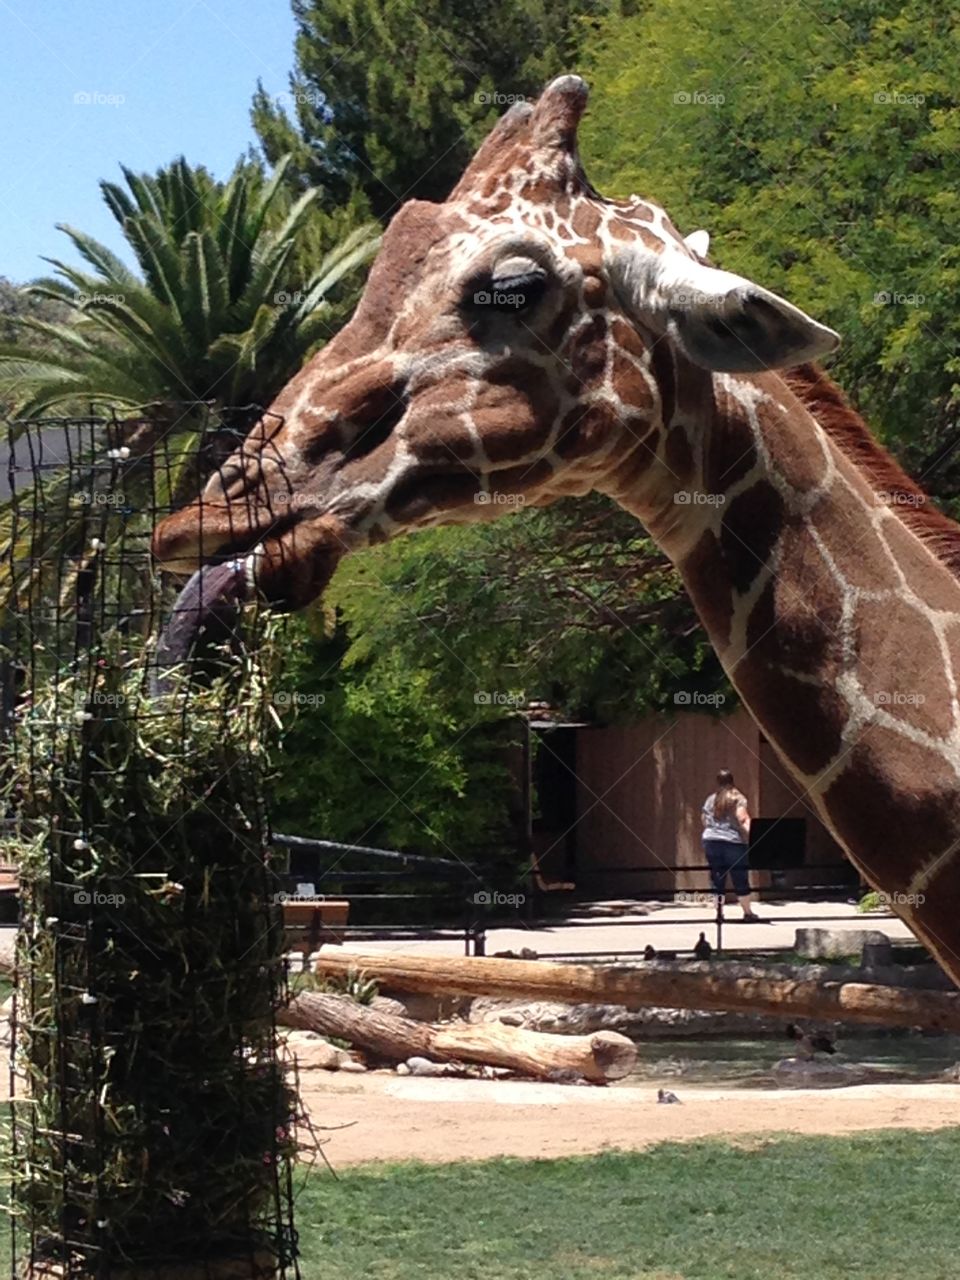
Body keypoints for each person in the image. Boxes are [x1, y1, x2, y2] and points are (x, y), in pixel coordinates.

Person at [701, 769, 765, 922]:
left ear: (718, 782)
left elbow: (703, 819)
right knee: (740, 876)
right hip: (732, 841)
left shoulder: (711, 799)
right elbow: (742, 819)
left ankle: (719, 913)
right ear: (732, 780)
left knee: (717, 877)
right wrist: (756, 837)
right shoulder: (737, 797)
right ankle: (748, 913)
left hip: (711, 840)